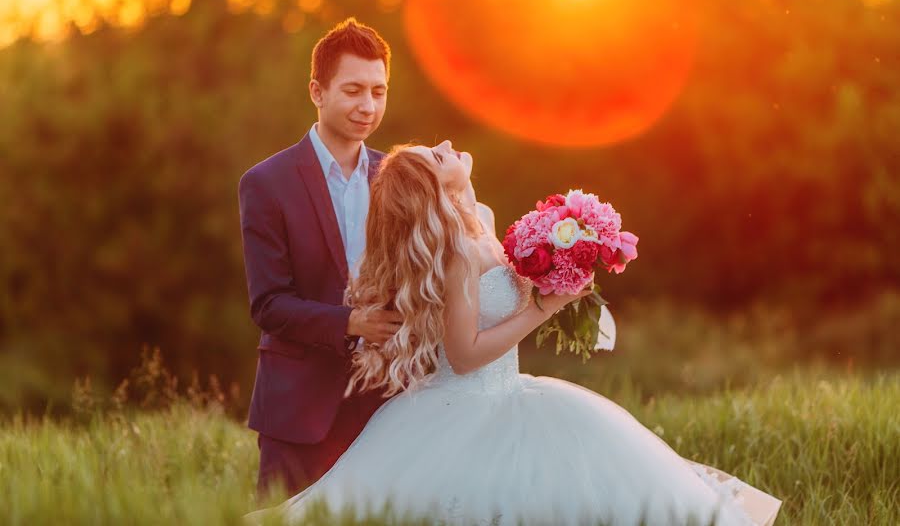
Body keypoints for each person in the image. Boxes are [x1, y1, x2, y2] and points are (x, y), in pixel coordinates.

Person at [247, 141, 783, 525]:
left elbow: (476, 213)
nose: (449, 146)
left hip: (512, 394)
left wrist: (566, 258)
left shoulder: (474, 221)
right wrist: (544, 310)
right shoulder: (454, 256)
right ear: (436, 186)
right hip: (465, 407)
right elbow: (463, 355)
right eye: (439, 154)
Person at [237, 18, 403, 498]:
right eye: (353, 90)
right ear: (317, 91)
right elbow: (268, 304)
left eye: (378, 90)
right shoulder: (266, 183)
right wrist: (353, 323)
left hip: (386, 406)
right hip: (297, 410)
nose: (367, 106)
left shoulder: (397, 178)